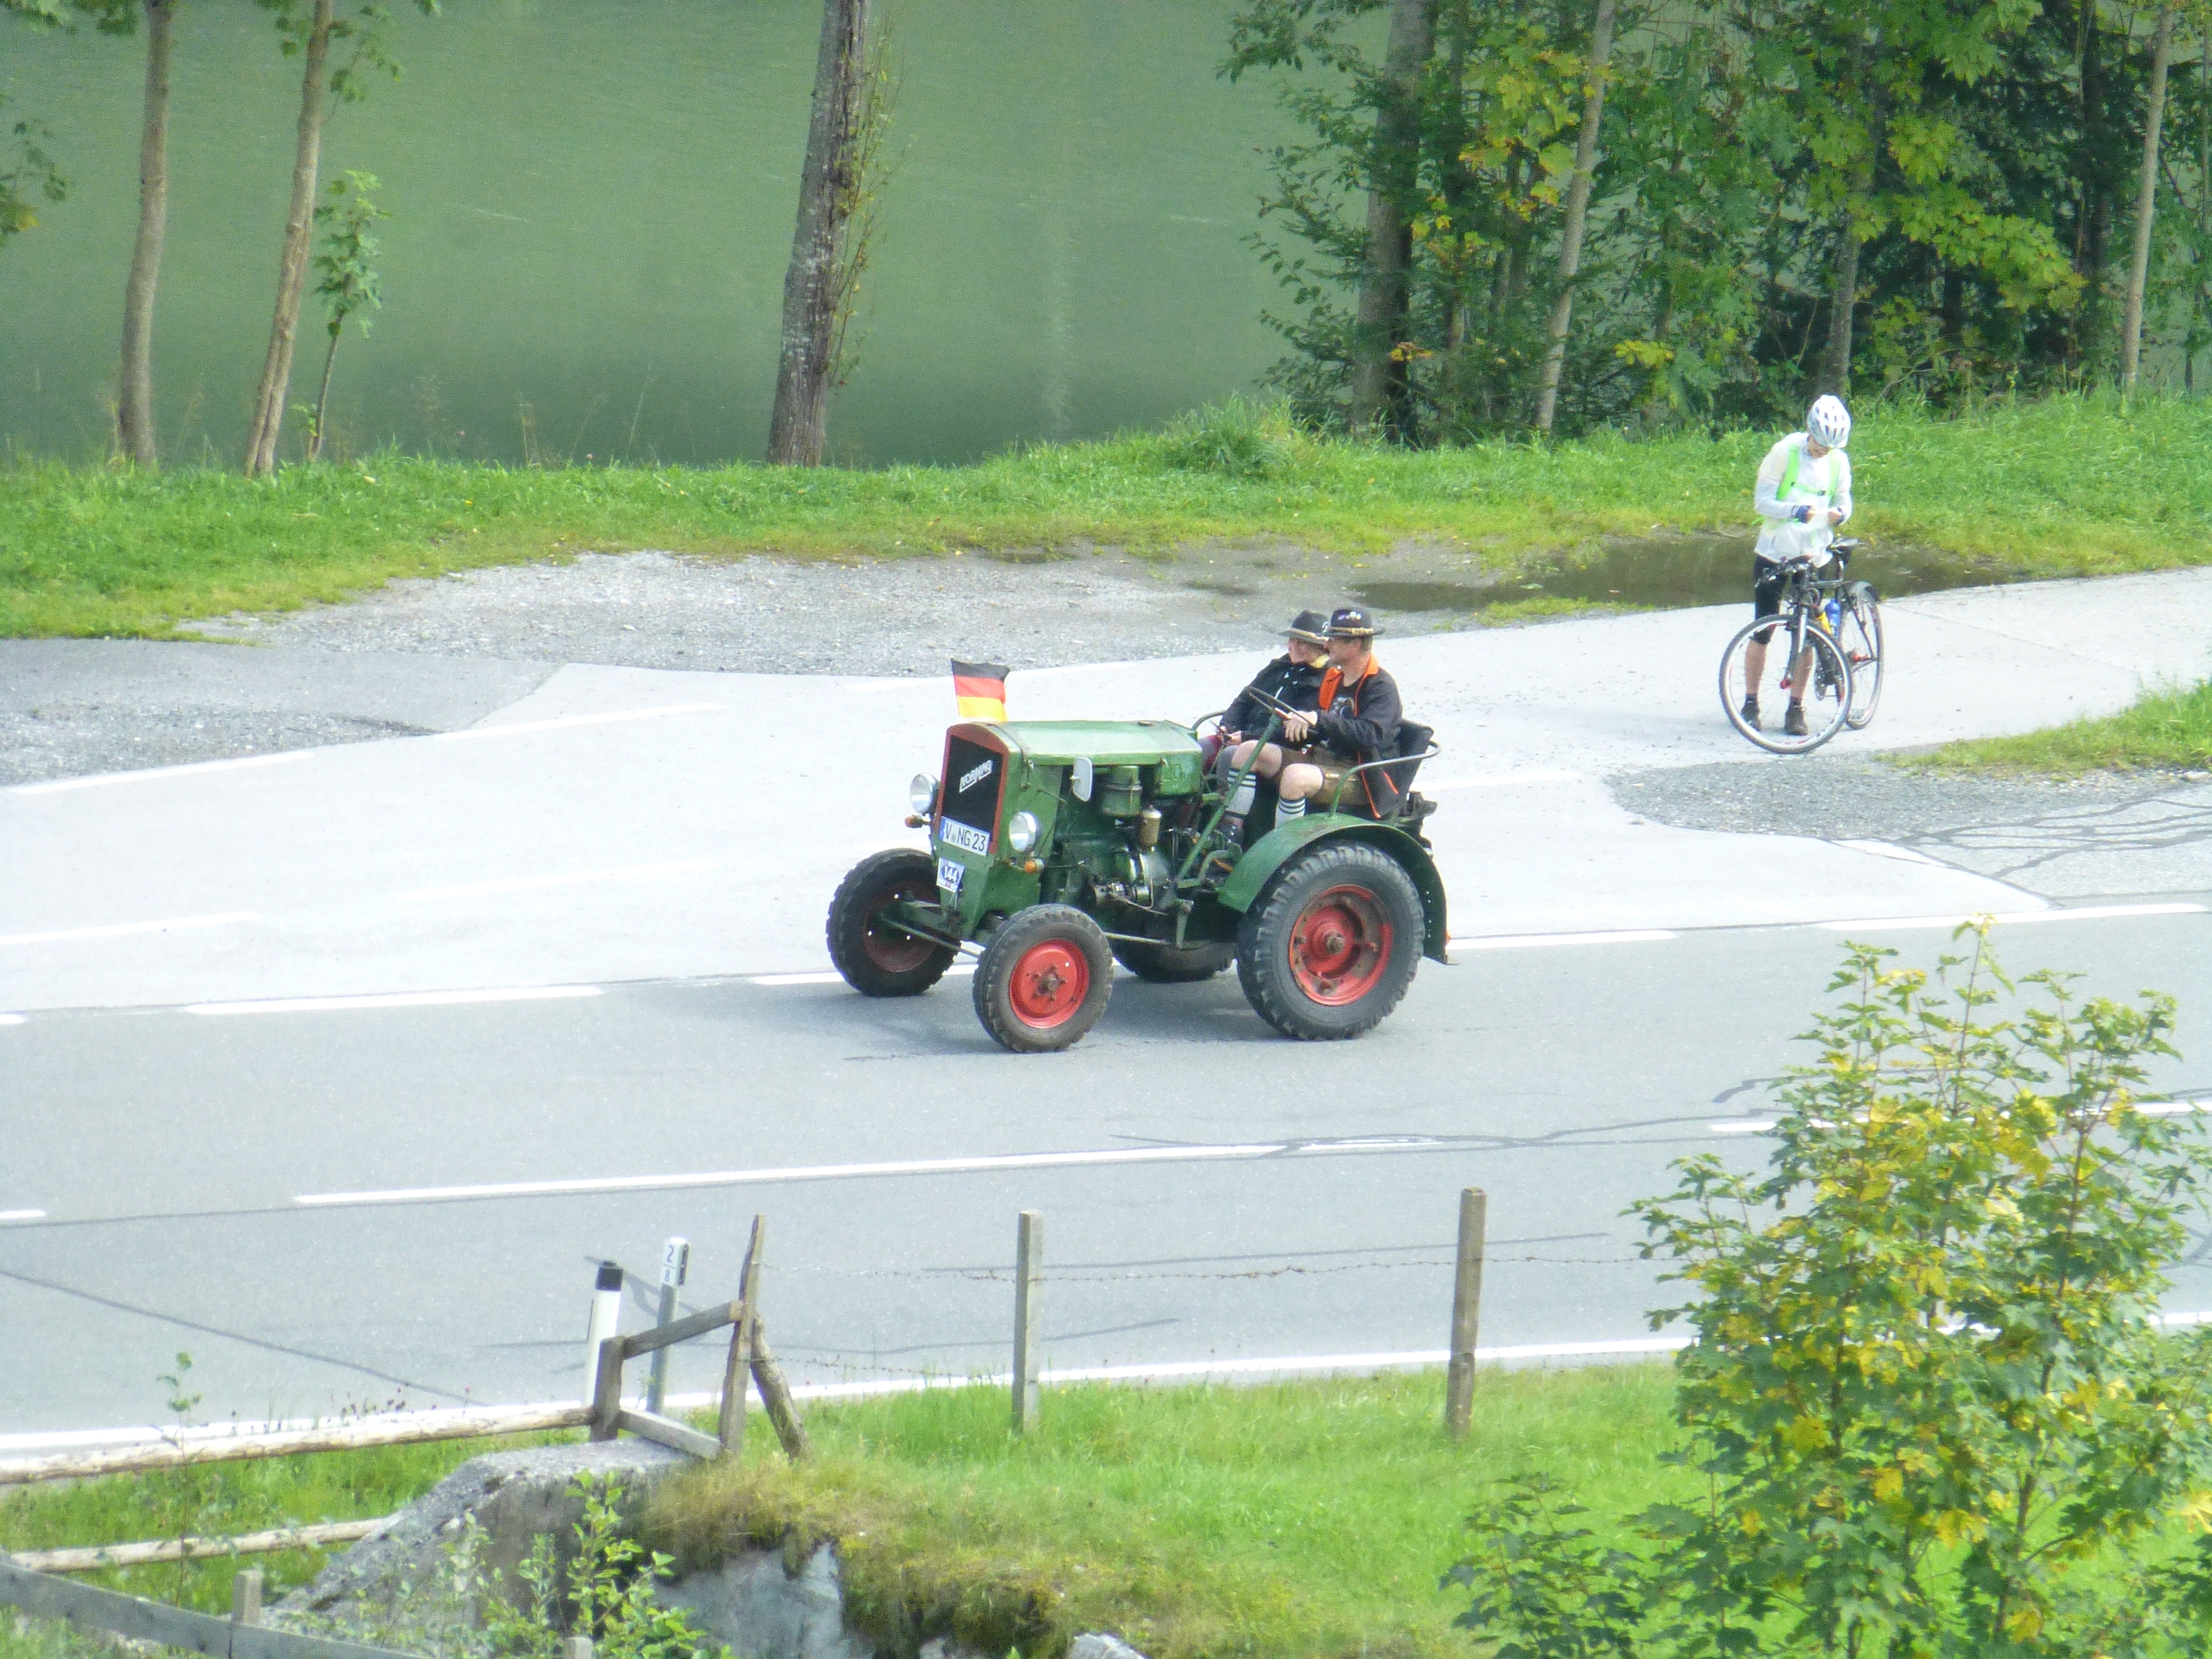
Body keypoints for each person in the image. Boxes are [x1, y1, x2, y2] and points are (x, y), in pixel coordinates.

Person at [1226, 605, 1405, 821]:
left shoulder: (1381, 686)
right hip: (1322, 759)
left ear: (1355, 644)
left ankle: (1286, 842)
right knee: (1248, 750)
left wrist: (1319, 719)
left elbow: (1369, 735)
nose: (1326, 645)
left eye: (1333, 640)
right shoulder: (1333, 679)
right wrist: (1296, 723)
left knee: (1295, 777)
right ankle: (1232, 829)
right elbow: (1320, 729)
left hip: (1361, 775)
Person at [1745, 394, 1854, 737]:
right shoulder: (1784, 453)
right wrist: (1795, 511)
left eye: (1830, 447)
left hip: (1813, 555)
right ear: (1810, 431)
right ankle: (1751, 702)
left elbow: (1844, 500)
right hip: (1775, 552)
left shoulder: (1838, 462)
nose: (1824, 451)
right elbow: (1762, 502)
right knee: (1763, 629)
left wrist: (1841, 514)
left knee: (1807, 635)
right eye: (1820, 443)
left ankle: (1796, 707)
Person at [1218, 610, 1329, 750]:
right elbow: (1244, 699)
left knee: (1231, 754)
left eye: (1301, 643)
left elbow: (1295, 732)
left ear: (1320, 648)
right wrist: (1227, 727)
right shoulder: (1279, 666)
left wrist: (1247, 737)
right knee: (1201, 747)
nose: (1293, 647)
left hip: (1279, 746)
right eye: (1291, 640)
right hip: (1243, 736)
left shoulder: (1325, 679)